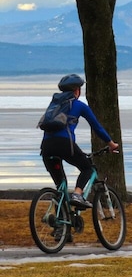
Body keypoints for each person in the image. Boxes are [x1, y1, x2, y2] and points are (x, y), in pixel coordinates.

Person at [40, 74, 119, 209]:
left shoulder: (54, 105)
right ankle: (77, 194)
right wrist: (111, 144)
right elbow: (97, 127)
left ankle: (60, 227)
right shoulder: (79, 105)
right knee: (87, 168)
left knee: (61, 188)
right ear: (77, 90)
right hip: (65, 144)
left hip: (46, 147)